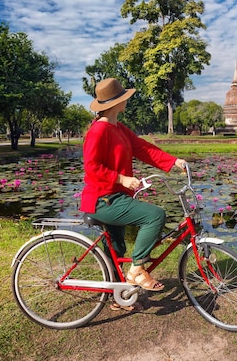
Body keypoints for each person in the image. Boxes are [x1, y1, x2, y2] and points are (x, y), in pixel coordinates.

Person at [80, 78, 187, 293]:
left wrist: (173, 161)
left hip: (116, 196)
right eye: (123, 97)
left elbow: (142, 148)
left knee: (116, 248)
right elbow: (92, 166)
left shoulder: (118, 127)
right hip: (103, 199)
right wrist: (121, 179)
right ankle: (137, 270)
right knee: (154, 215)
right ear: (114, 103)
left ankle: (116, 297)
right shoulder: (98, 131)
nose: (126, 101)